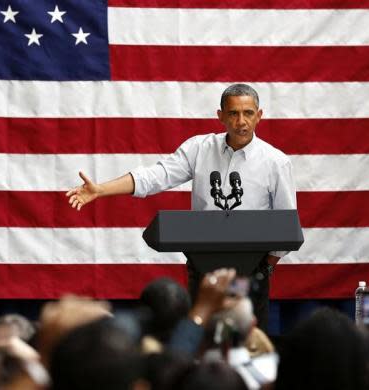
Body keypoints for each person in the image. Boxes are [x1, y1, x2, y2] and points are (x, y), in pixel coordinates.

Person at [66, 84, 297, 329]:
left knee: (243, 334)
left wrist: (264, 266)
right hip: (203, 266)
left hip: (248, 270)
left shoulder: (276, 162)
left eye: (248, 113)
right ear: (220, 116)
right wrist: (101, 189)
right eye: (233, 113)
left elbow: (286, 225)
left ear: (259, 115)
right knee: (201, 330)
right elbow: (156, 176)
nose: (241, 121)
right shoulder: (199, 149)